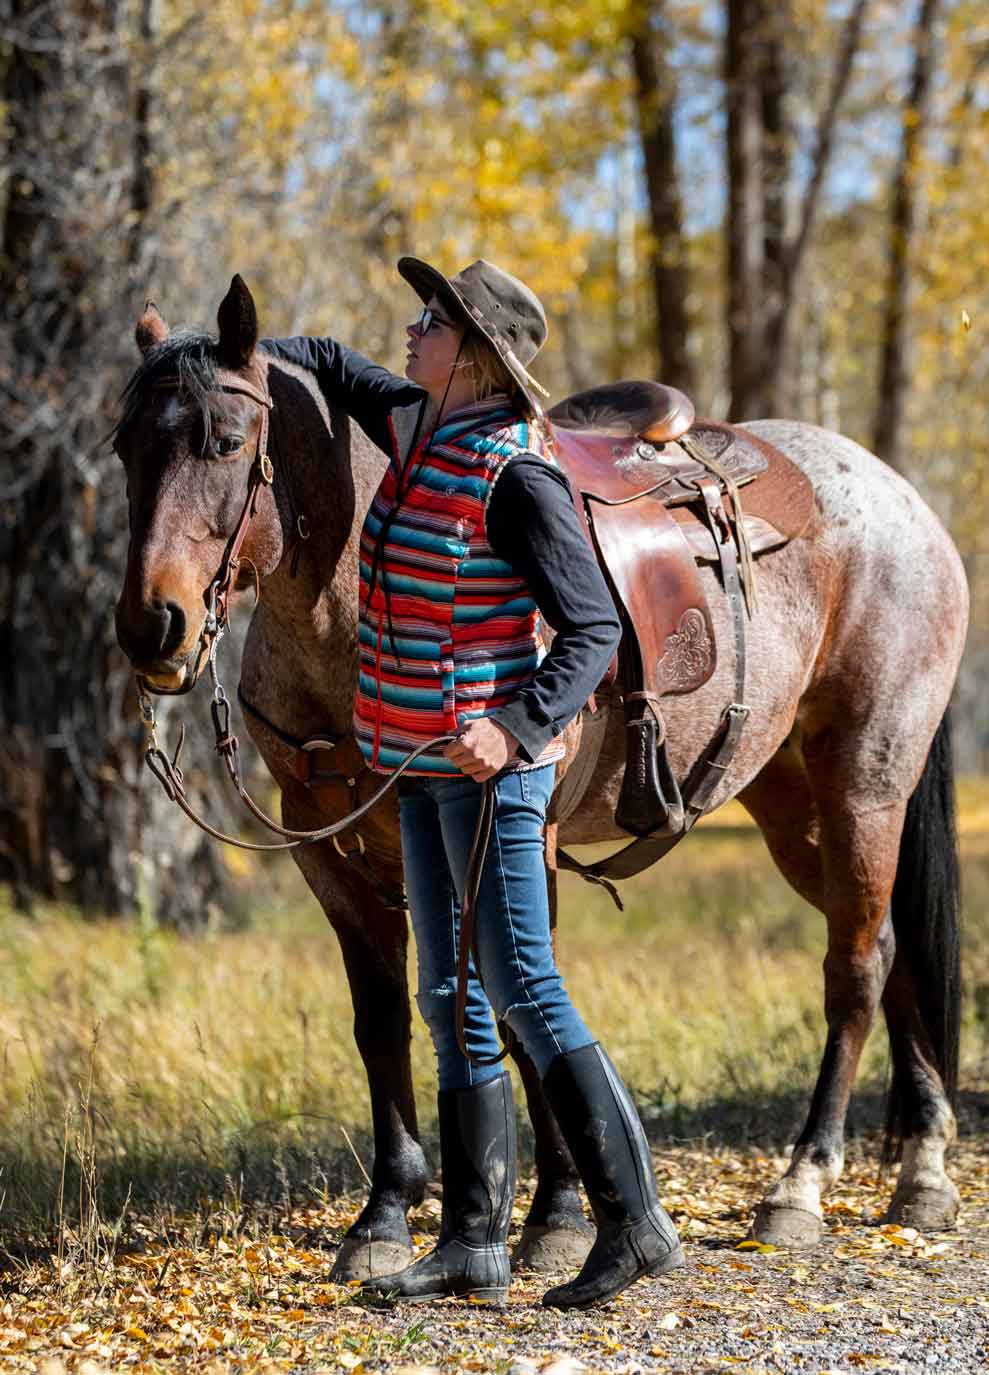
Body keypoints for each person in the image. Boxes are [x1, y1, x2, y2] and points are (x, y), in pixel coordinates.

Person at [264, 258, 682, 1309]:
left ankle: (634, 1223)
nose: (410, 332)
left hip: (495, 769)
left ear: (479, 355)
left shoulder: (517, 476)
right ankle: (471, 1239)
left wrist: (517, 723)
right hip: (416, 767)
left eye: (431, 321)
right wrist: (230, 359)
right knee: (448, 996)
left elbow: (591, 628)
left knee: (523, 987)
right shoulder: (415, 424)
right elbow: (326, 362)